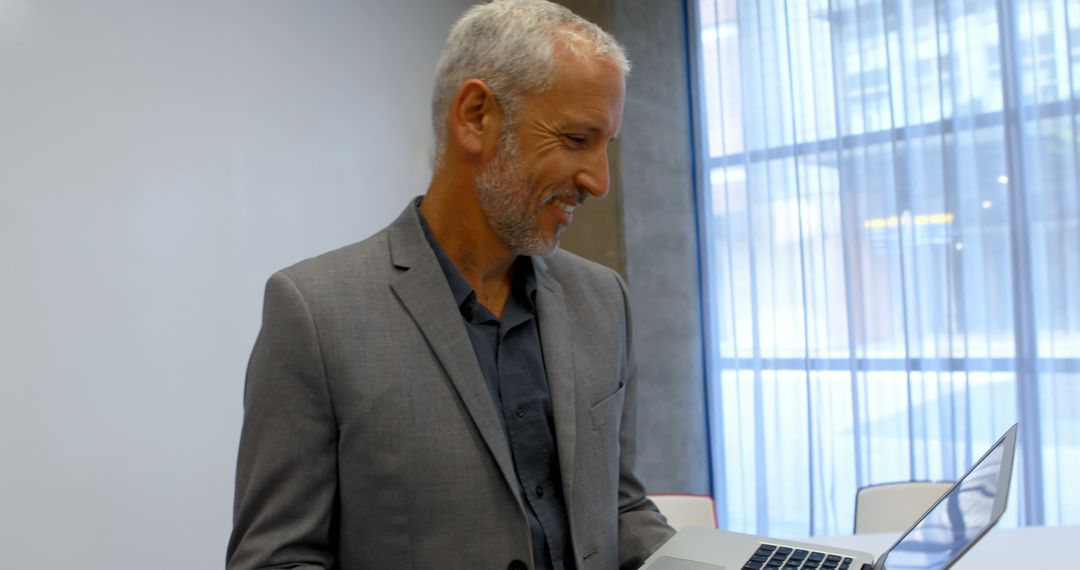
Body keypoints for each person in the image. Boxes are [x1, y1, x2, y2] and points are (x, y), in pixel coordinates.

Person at [226, 1, 675, 568]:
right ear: (476, 116)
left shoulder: (605, 300)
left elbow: (621, 507)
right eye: (576, 139)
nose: (599, 182)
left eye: (606, 145)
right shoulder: (314, 314)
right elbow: (276, 559)